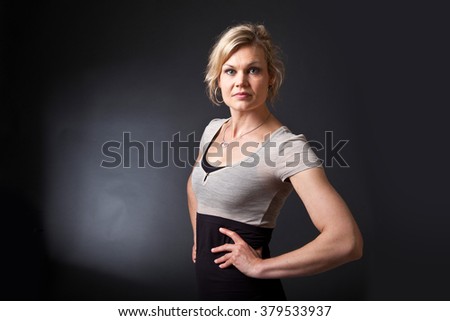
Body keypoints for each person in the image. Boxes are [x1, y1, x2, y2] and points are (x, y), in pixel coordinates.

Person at [186, 23, 363, 300]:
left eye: (253, 70)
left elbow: (347, 241)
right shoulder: (213, 129)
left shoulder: (287, 147)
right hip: (209, 292)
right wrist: (200, 239)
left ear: (270, 77)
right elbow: (194, 186)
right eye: (230, 70)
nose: (241, 81)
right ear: (218, 79)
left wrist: (260, 267)